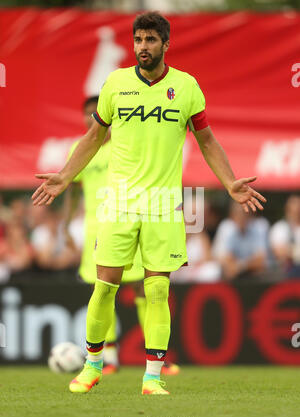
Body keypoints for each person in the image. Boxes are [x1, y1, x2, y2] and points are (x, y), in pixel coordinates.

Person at [32, 11, 266, 395]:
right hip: (118, 203)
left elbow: (206, 139)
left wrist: (230, 183)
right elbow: (93, 137)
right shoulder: (116, 83)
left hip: (162, 206)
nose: (143, 46)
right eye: (138, 40)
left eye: (151, 40)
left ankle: (152, 378)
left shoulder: (187, 87)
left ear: (165, 44)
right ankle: (93, 366)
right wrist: (64, 176)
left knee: (157, 291)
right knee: (104, 288)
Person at [63, 96, 180, 375]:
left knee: (144, 288)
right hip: (96, 227)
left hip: (130, 221)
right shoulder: (79, 149)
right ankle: (110, 359)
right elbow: (72, 189)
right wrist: (65, 226)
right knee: (102, 290)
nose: (92, 118)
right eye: (87, 114)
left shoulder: (124, 146)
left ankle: (155, 358)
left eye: (97, 113)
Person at [215, 201, 269, 280]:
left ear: (250, 215)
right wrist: (244, 265)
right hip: (233, 275)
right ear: (232, 215)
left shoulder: (259, 227)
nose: (241, 217)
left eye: (244, 213)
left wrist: (240, 266)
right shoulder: (226, 228)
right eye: (238, 214)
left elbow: (260, 261)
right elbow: (225, 260)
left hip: (253, 274)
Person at [269, 194, 300, 278]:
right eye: (294, 210)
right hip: (284, 275)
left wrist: (291, 252)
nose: (296, 212)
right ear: (287, 210)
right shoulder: (279, 228)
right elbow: (279, 253)